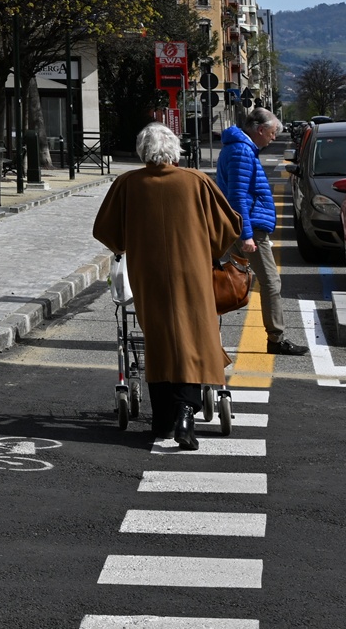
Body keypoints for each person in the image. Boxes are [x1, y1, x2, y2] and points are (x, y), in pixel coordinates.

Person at [94, 122, 240, 449]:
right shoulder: (197, 182)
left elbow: (108, 232)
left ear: (143, 151)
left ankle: (162, 420)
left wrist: (129, 242)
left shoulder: (127, 183)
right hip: (193, 275)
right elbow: (227, 227)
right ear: (175, 150)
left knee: (158, 341)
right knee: (193, 338)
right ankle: (187, 413)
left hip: (149, 275)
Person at [215, 106, 304, 355]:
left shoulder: (239, 148)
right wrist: (246, 235)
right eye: (273, 133)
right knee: (271, 283)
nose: (274, 138)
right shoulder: (242, 151)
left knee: (224, 278)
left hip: (243, 225)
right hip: (249, 227)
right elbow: (238, 196)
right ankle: (276, 339)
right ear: (261, 129)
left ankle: (208, 332)